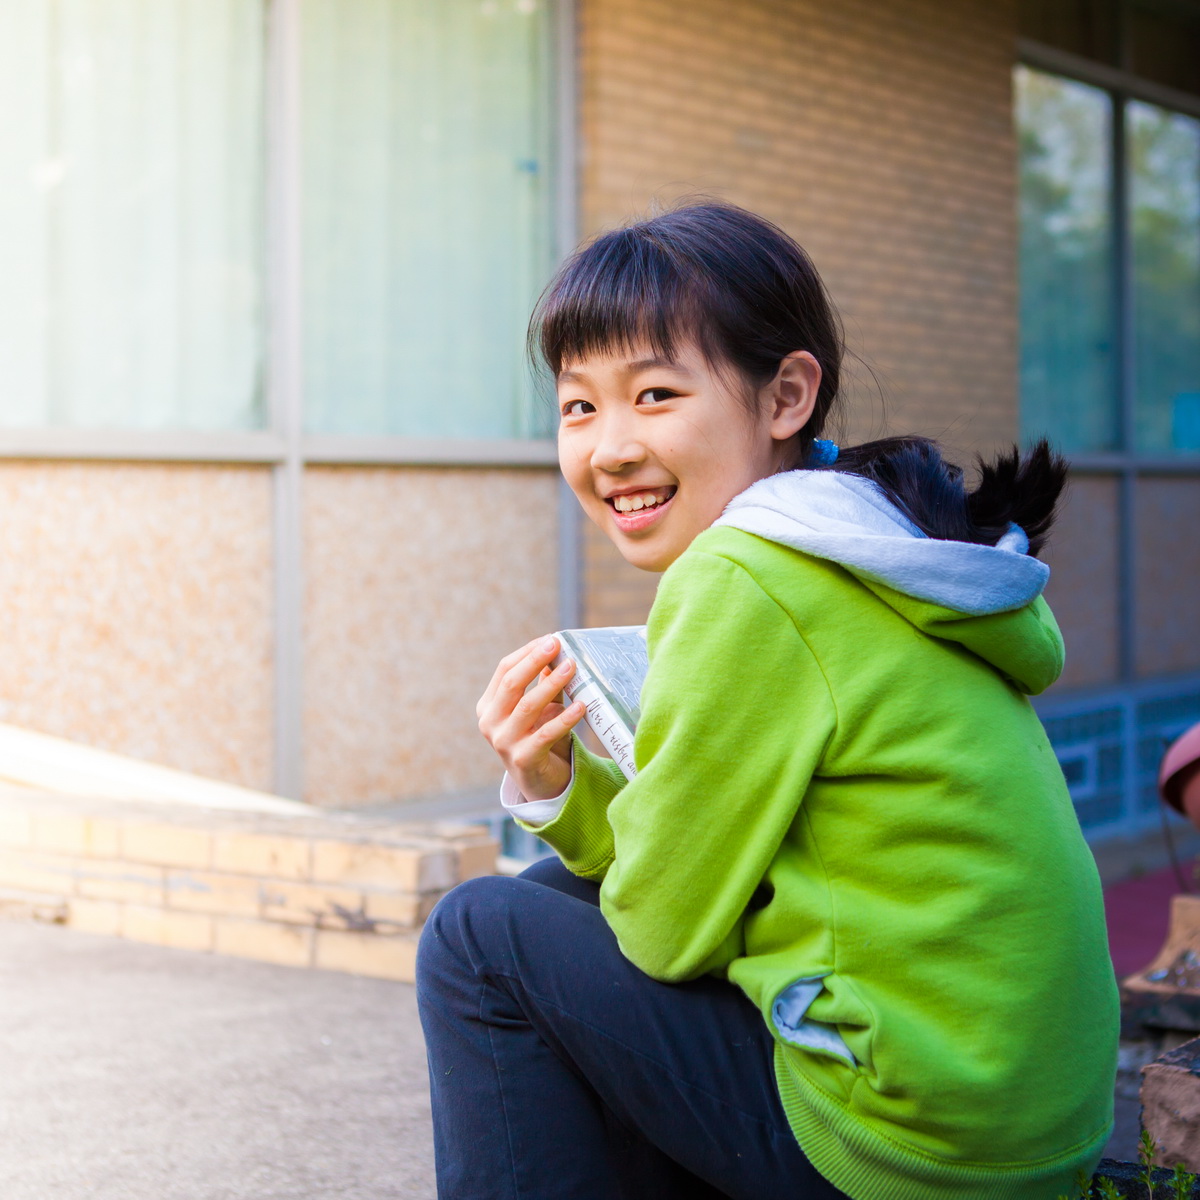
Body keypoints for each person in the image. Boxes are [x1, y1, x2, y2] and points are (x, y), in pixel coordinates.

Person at [416, 202, 1119, 1200]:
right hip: (1020, 1121)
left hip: (910, 1145)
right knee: (547, 907)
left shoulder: (751, 575)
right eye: (579, 407)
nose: (608, 448)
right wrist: (552, 783)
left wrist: (562, 798)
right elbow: (694, 878)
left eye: (654, 394)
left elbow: (665, 926)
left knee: (477, 942)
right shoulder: (873, 546)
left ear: (785, 395)